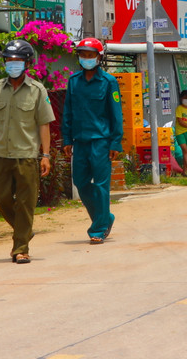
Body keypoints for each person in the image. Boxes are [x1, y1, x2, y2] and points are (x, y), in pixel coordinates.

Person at [0, 39, 55, 264]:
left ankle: (20, 248)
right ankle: (24, 229)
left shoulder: (37, 90)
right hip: (2, 154)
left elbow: (44, 124)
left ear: (27, 63)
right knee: (0, 197)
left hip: (27, 156)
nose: (12, 65)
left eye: (17, 61)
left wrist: (46, 155)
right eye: (9, 61)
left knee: (26, 202)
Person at [62, 37, 123, 244]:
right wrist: (66, 139)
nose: (86, 58)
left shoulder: (108, 82)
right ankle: (105, 217)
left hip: (101, 142)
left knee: (101, 185)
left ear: (99, 57)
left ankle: (98, 229)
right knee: (80, 182)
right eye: (83, 55)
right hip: (80, 141)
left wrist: (116, 142)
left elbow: (116, 114)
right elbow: (67, 112)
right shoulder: (73, 81)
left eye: (90, 55)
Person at [174, 89, 187, 177]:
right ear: (181, 98)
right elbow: (180, 121)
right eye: (185, 97)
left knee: (186, 152)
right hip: (180, 133)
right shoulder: (179, 108)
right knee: (185, 150)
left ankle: (184, 172)